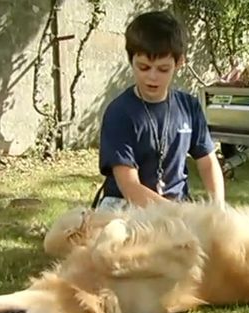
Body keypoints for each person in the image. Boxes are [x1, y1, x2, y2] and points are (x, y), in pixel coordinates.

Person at [95, 10, 225, 211]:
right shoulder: (119, 112)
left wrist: (218, 208)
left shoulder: (189, 107)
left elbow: (207, 161)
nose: (152, 77)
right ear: (131, 61)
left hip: (177, 206)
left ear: (179, 62)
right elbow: (130, 186)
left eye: (163, 69)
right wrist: (180, 214)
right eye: (144, 67)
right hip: (126, 206)